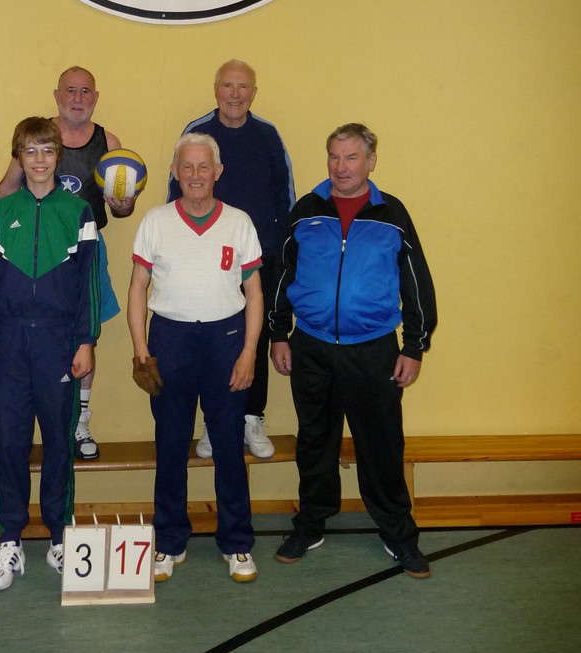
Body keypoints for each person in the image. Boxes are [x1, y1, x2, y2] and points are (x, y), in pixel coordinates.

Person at [269, 124, 437, 578]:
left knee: (381, 445)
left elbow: (416, 283)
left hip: (374, 350)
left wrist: (414, 346)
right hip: (312, 347)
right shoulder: (306, 211)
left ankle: (398, 534)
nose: (340, 167)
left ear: (370, 161)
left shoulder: (392, 214)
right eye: (334, 156)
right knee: (315, 443)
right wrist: (279, 334)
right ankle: (310, 524)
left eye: (351, 157)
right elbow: (282, 275)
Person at [129, 133, 263, 584]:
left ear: (217, 172)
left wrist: (249, 352)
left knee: (228, 446)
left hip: (227, 340)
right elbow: (137, 288)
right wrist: (141, 348)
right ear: (175, 172)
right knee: (170, 446)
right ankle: (169, 542)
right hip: (169, 340)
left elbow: (254, 293)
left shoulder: (240, 223)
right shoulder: (155, 221)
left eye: (204, 166)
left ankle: (237, 542)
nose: (195, 175)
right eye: (186, 166)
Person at [0, 117, 100, 591]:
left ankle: (59, 537)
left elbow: (88, 284)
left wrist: (86, 341)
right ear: (19, 157)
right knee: (10, 444)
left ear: (58, 156)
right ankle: (10, 540)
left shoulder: (79, 212)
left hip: (58, 343)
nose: (40, 159)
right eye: (30, 151)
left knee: (58, 445)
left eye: (47, 150)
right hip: (9, 344)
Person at [0, 66, 133, 461]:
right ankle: (33, 423)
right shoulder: (38, 138)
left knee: (86, 335)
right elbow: (4, 192)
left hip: (87, 250)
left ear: (95, 97)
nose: (77, 98)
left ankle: (80, 422)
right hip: (40, 251)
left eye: (85, 91)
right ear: (56, 95)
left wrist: (124, 205)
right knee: (37, 334)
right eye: (70, 90)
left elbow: (121, 208)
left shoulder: (109, 142)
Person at [168, 60, 295, 460]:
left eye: (243, 87)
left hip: (260, 257)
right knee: (215, 339)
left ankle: (252, 418)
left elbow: (285, 196)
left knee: (255, 338)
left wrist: (282, 250)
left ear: (253, 93)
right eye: (228, 85)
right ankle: (215, 421)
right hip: (208, 258)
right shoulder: (197, 133)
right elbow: (176, 192)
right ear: (216, 90)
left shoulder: (268, 136)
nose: (235, 94)